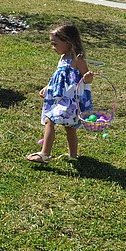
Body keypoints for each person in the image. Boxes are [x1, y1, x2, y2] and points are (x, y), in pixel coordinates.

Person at [26, 24, 93, 164]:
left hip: (71, 101)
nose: (53, 47)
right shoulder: (63, 57)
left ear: (68, 42)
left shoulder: (78, 59)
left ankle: (46, 154)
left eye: (55, 44)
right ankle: (70, 156)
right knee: (58, 124)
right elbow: (58, 77)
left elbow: (87, 79)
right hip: (59, 99)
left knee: (59, 124)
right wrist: (47, 87)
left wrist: (88, 77)